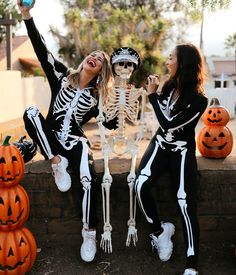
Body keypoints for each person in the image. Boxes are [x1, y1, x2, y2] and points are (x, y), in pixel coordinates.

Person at [17, 0, 117, 263]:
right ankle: (55, 162)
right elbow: (42, 50)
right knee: (30, 112)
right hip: (51, 142)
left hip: (75, 143)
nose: (94, 57)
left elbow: (109, 124)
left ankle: (89, 232)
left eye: (99, 61)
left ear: (100, 73)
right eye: (93, 54)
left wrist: (116, 109)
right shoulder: (61, 77)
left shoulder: (96, 100)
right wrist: (27, 15)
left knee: (87, 178)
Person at [134, 43, 208, 275]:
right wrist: (155, 94)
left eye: (171, 58)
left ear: (183, 63)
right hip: (160, 145)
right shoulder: (168, 87)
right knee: (140, 184)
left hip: (182, 150)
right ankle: (159, 231)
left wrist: (152, 96)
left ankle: (191, 265)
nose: (167, 62)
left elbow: (169, 124)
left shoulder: (199, 100)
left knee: (185, 203)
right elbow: (162, 128)